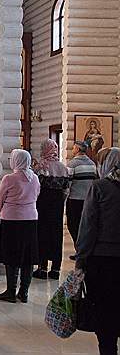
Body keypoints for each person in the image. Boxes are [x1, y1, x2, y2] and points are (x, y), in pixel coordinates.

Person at [75, 147, 120, 355]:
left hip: (103, 261)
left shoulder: (100, 187)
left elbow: (88, 227)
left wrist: (81, 259)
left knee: (105, 316)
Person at [0, 149, 40, 303]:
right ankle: (24, 292)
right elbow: (36, 195)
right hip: (31, 219)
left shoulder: (9, 179)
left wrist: (2, 210)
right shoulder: (35, 178)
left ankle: (11, 291)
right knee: (28, 257)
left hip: (11, 220)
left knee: (11, 255)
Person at [32, 139, 69, 280]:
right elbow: (66, 189)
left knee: (42, 234)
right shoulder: (63, 167)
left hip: (42, 205)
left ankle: (42, 268)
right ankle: (55, 269)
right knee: (56, 235)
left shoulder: (41, 167)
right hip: (57, 206)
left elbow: (35, 187)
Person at [66, 141, 97, 257]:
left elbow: (68, 183)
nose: (72, 150)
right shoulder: (92, 164)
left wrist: (65, 196)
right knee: (85, 226)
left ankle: (79, 250)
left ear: (78, 149)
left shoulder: (72, 164)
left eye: (74, 148)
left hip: (75, 199)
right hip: (89, 199)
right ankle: (84, 251)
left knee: (73, 225)